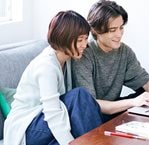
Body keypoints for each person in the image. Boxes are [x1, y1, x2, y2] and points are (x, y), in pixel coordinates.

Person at [4, 10, 103, 145]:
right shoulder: (46, 66)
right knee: (79, 95)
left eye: (85, 39)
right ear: (64, 39)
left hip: (43, 124)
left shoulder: (67, 58)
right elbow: (52, 114)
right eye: (80, 40)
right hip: (27, 128)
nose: (84, 45)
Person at [72, 0, 149, 122]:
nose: (119, 34)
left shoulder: (124, 51)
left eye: (121, 28)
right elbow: (90, 105)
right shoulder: (84, 54)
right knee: (137, 100)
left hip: (114, 108)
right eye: (113, 30)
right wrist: (134, 102)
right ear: (97, 31)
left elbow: (144, 80)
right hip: (92, 115)